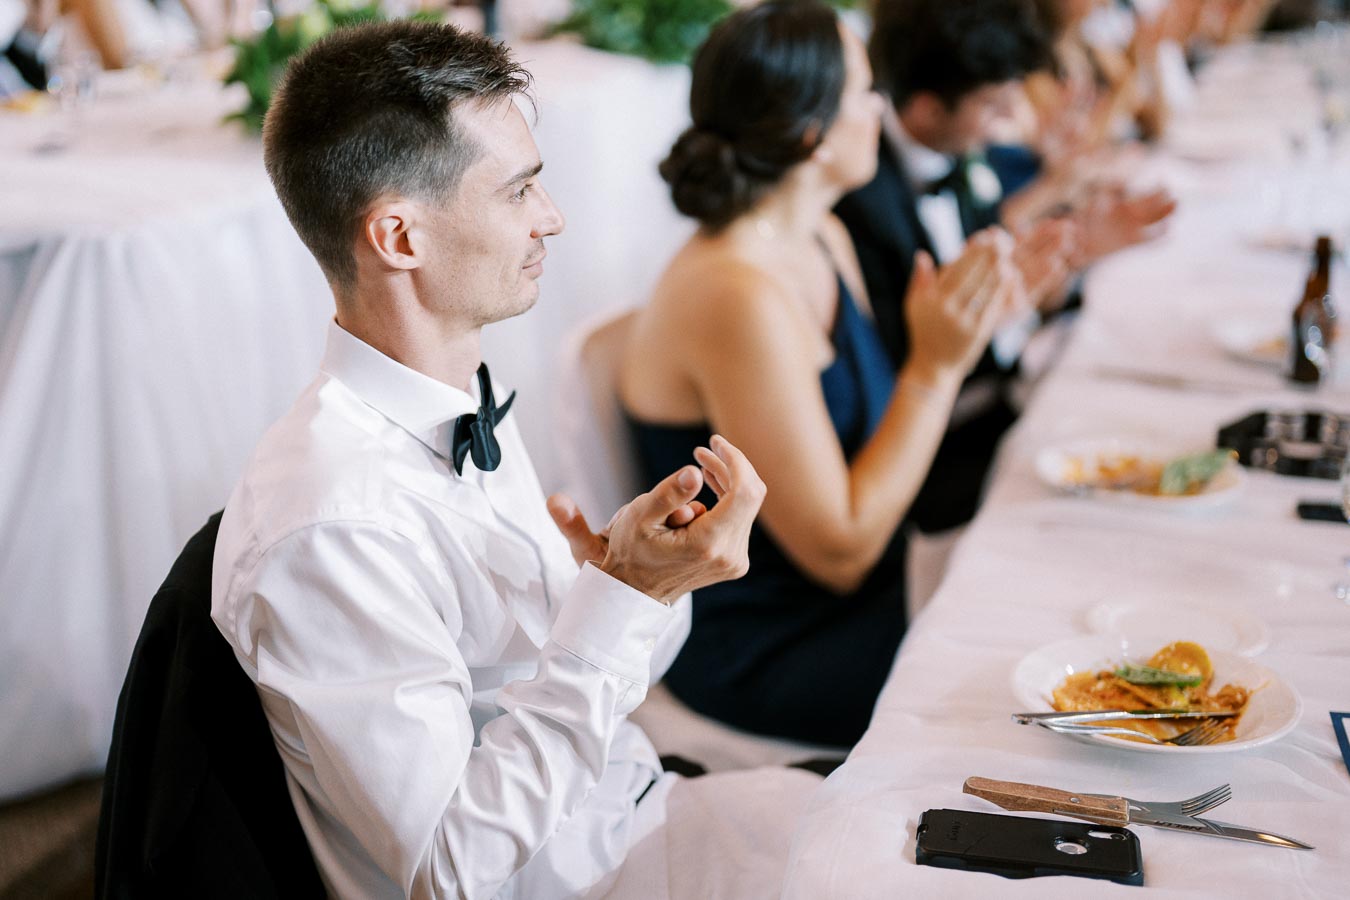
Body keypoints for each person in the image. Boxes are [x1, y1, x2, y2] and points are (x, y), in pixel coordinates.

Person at [211, 19, 814, 900]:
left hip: (636, 811)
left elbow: (585, 689)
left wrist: (632, 581)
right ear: (400, 239)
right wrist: (623, 601)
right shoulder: (330, 524)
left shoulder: (455, 390)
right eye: (519, 192)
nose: (551, 218)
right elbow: (452, 868)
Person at [619, 0, 1025, 747]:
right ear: (810, 134)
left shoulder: (822, 234)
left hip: (875, 589)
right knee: (1023, 685)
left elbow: (878, 451)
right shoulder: (735, 292)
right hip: (776, 641)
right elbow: (838, 554)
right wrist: (935, 369)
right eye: (864, 92)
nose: (881, 108)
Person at [838, 0, 1173, 534]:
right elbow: (907, 370)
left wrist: (1072, 254)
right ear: (925, 109)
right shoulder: (863, 207)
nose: (1006, 125)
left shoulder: (956, 149)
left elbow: (1002, 285)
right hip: (937, 462)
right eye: (994, 105)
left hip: (998, 407)